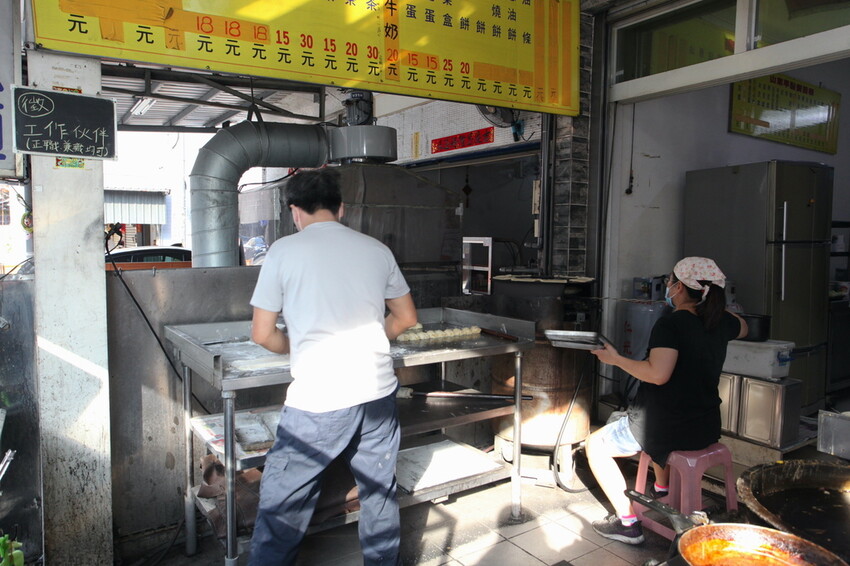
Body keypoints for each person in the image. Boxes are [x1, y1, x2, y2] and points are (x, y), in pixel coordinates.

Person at [247, 167, 418, 565]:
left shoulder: (283, 252)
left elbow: (262, 333)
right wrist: (373, 338)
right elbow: (407, 317)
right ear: (341, 209)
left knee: (283, 504)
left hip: (318, 401)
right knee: (378, 492)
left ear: (295, 211)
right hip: (377, 394)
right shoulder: (376, 250)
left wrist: (294, 346)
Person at [586, 257, 747, 545]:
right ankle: (662, 489)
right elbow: (744, 327)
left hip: (667, 426)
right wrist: (714, 307)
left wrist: (616, 359)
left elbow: (657, 375)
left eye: (671, 282)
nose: (668, 288)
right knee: (658, 427)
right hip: (705, 425)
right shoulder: (721, 321)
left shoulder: (671, 324)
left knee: (595, 445)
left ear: (681, 287)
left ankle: (627, 524)